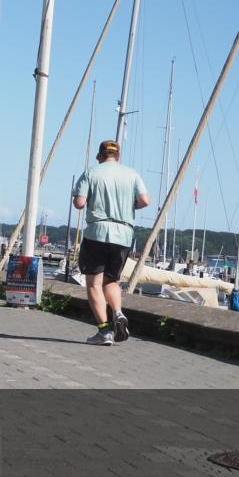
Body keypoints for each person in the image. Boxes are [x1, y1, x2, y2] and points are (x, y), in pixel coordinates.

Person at [72, 140, 149, 346]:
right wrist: (126, 206)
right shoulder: (132, 174)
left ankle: (105, 331)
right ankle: (118, 312)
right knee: (111, 281)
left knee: (94, 284)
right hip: (123, 234)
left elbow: (79, 203)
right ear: (118, 156)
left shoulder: (91, 173)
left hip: (97, 232)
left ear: (100, 156)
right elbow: (144, 200)